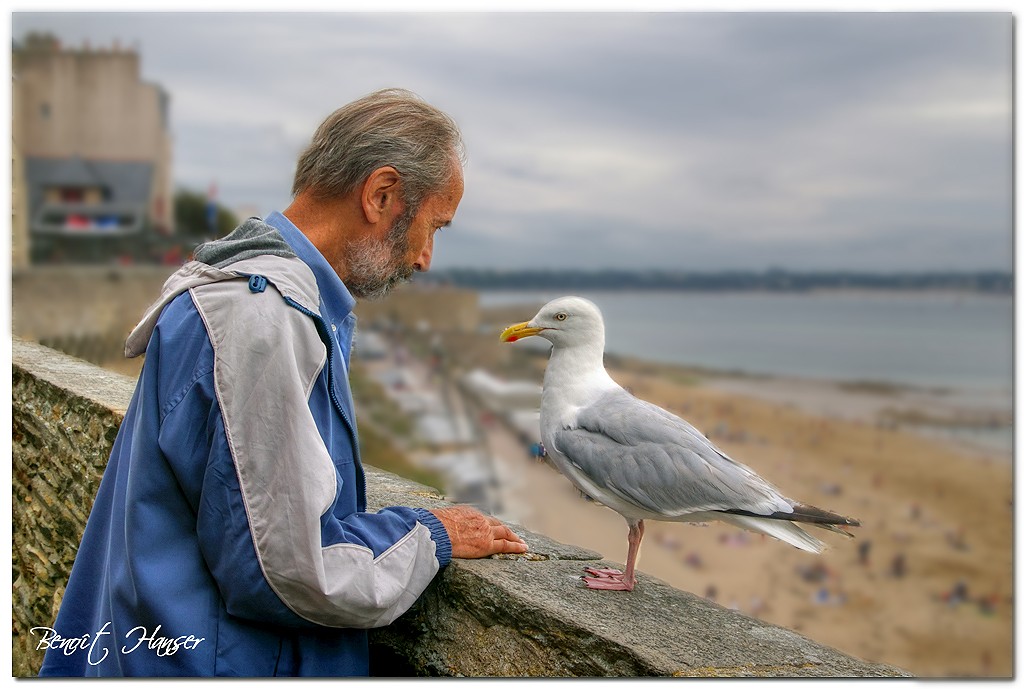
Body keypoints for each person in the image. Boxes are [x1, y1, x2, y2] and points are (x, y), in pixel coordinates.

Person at [38, 88, 527, 678]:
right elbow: (287, 570)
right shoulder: (261, 319)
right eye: (434, 226)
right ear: (381, 194)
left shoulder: (243, 292)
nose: (425, 258)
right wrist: (429, 533)